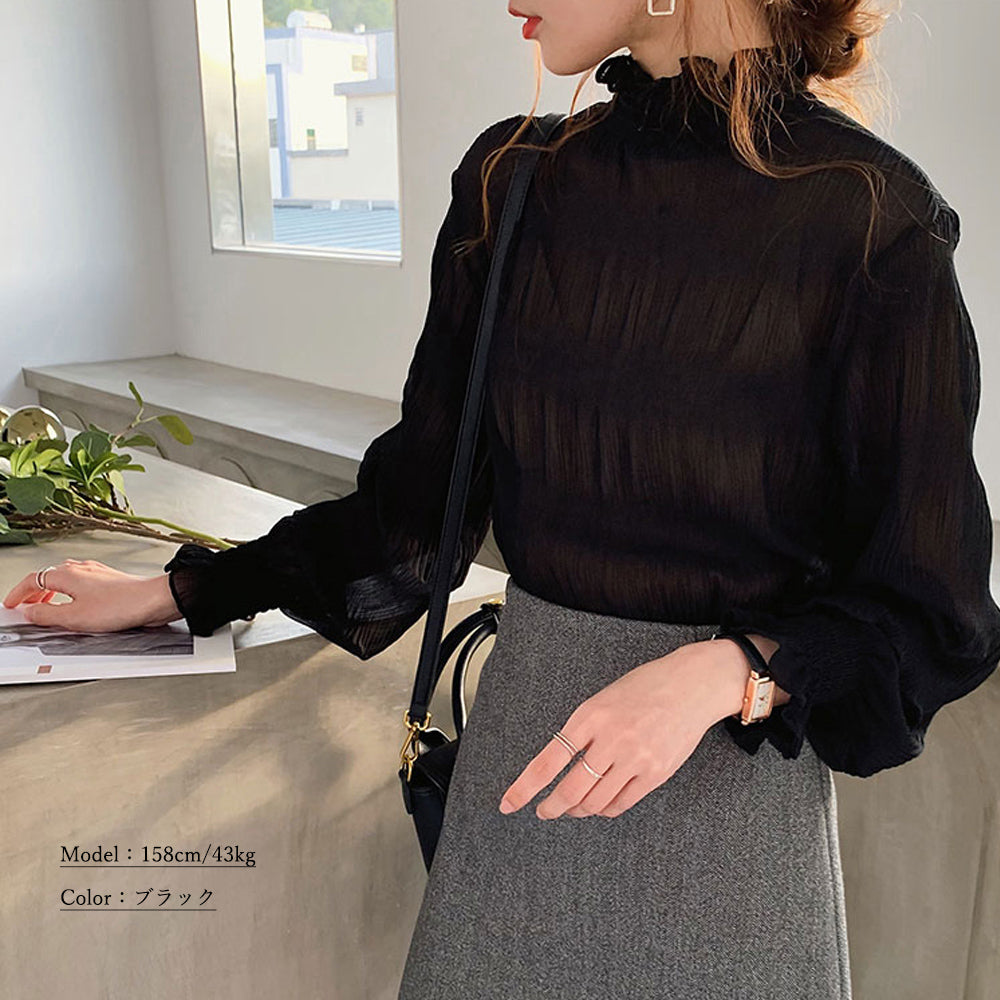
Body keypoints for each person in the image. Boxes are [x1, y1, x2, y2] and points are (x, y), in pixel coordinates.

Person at [5, 1, 1000, 996]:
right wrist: (182, 592)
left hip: (728, 811)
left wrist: (728, 671)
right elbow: (411, 513)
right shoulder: (518, 181)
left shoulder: (873, 218)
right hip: (521, 772)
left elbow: (930, 606)